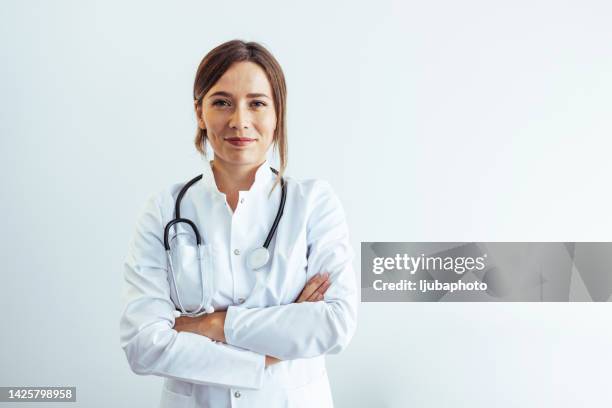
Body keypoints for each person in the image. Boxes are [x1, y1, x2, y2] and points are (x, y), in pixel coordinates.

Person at [119, 39, 358, 408]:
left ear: (278, 113)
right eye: (221, 102)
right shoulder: (164, 210)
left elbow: (335, 324)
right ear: (200, 112)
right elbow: (143, 346)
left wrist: (212, 325)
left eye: (257, 103)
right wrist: (275, 347)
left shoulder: (313, 204)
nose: (239, 121)